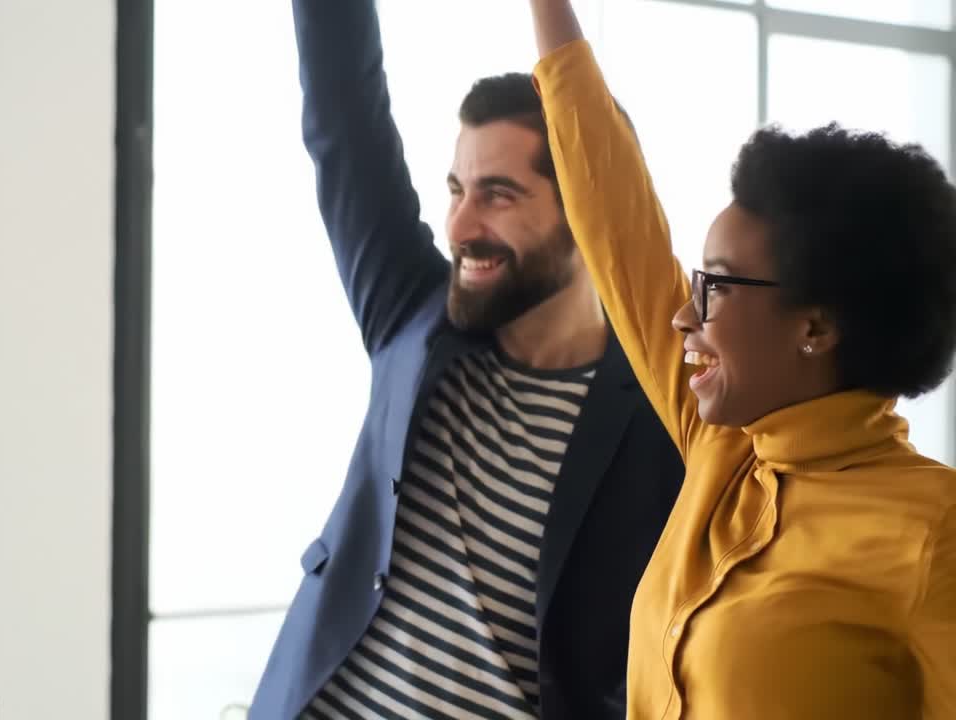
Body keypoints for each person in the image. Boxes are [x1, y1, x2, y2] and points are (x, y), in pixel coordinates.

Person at [251, 1, 685, 718]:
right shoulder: (413, 316)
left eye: (498, 195)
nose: (460, 225)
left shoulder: (661, 415)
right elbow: (343, 115)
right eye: (456, 190)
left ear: (586, 208)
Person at [526, 1, 956, 718]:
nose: (683, 316)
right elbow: (613, 219)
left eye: (718, 287)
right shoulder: (719, 448)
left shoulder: (933, 533)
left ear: (814, 325)